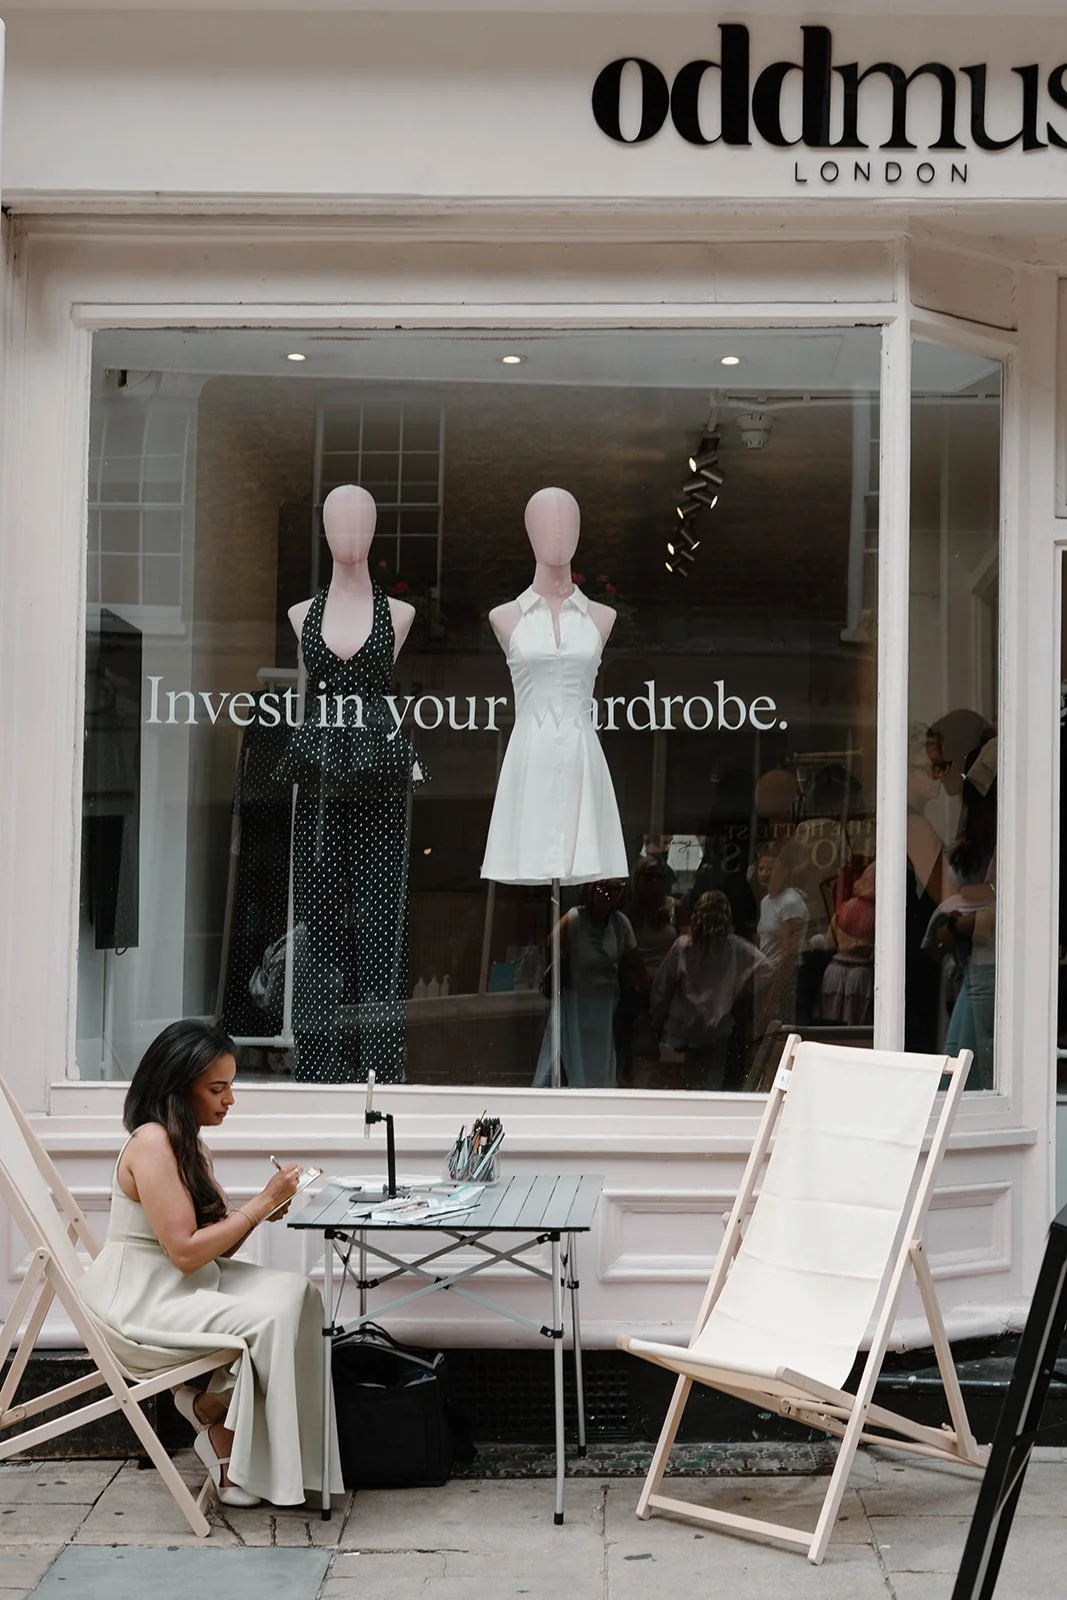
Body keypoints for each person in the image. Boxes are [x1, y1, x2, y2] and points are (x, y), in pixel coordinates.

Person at [76, 1019, 342, 1509]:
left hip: (185, 1282)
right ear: (178, 1088)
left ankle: (248, 1438)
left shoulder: (187, 1142)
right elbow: (185, 1252)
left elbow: (211, 1250)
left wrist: (259, 1214)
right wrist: (259, 1204)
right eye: (217, 1088)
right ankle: (231, 1446)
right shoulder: (152, 1144)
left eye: (230, 1087)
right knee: (269, 1320)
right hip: (142, 1300)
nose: (229, 1100)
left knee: (300, 1297)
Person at [651, 891, 770, 1090]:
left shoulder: (683, 946)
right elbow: (767, 969)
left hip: (684, 1026)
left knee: (682, 1083)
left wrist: (656, 1019)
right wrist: (740, 990)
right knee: (712, 1083)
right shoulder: (735, 947)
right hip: (717, 1027)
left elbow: (662, 988)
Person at [533, 880, 638, 1088]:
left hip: (606, 1008)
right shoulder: (575, 918)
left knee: (601, 1067)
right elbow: (551, 941)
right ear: (591, 890)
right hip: (575, 1005)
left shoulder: (620, 923)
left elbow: (635, 962)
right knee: (567, 1060)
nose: (608, 895)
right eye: (603, 889)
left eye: (614, 889)